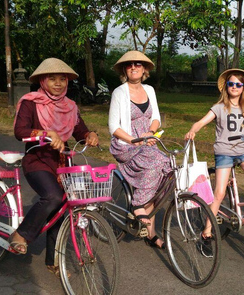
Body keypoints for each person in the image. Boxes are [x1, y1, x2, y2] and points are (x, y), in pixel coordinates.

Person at [12, 58, 99, 276]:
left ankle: (54, 261)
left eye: (62, 79)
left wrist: (90, 135)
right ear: (43, 80)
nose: (58, 83)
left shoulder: (69, 106)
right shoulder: (30, 102)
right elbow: (20, 131)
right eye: (52, 79)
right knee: (52, 196)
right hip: (37, 160)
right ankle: (21, 234)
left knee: (63, 209)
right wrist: (46, 134)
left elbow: (80, 131)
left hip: (63, 162)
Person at [185, 68, 244, 257]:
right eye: (231, 84)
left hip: (243, 152)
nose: (235, 87)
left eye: (239, 84)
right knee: (219, 193)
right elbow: (201, 122)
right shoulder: (219, 108)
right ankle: (206, 233)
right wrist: (192, 130)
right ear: (226, 87)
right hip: (224, 153)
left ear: (243, 87)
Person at [108, 50, 170, 250]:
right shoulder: (119, 92)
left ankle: (151, 233)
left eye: (138, 64)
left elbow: (156, 118)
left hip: (147, 142)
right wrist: (136, 140)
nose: (134, 67)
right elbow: (113, 128)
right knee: (155, 163)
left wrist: (150, 133)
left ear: (144, 69)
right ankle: (137, 204)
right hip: (126, 143)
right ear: (125, 70)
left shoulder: (150, 90)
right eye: (129, 65)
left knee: (168, 167)